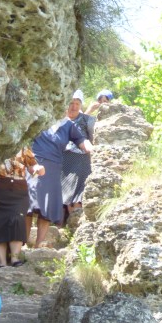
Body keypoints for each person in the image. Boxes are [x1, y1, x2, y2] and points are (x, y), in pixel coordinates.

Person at [26, 100, 95, 248]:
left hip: (53, 168)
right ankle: (23, 244)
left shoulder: (68, 125)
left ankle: (38, 245)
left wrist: (93, 149)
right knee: (28, 206)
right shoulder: (40, 118)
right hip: (33, 164)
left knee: (46, 208)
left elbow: (81, 140)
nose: (69, 107)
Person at [0, 148, 46, 268]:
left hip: (18, 190)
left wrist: (38, 169)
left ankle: (15, 259)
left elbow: (32, 167)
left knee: (17, 220)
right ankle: (2, 262)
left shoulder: (23, 149)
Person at [60, 89, 97, 227]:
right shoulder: (59, 121)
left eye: (77, 103)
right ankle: (61, 224)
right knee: (63, 192)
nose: (74, 107)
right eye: (71, 103)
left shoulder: (88, 120)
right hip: (62, 160)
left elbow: (92, 140)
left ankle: (75, 224)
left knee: (78, 194)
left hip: (82, 161)